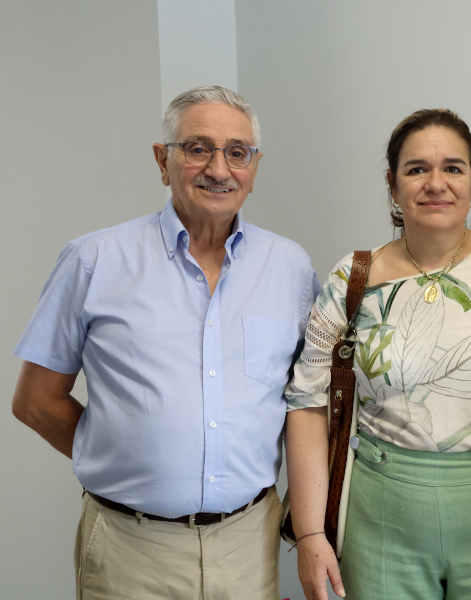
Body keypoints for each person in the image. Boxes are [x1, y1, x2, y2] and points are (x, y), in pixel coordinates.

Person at [11, 85, 320, 600]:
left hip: (249, 544)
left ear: (254, 166)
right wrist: (121, 455)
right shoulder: (93, 260)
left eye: (237, 153)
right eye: (198, 148)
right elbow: (35, 401)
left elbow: (305, 403)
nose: (219, 169)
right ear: (163, 160)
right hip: (129, 549)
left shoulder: (291, 268)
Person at [284, 108, 471, 600]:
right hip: (382, 522)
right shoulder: (352, 280)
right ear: (393, 185)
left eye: (453, 168)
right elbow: (308, 404)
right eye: (416, 169)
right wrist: (312, 535)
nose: (435, 183)